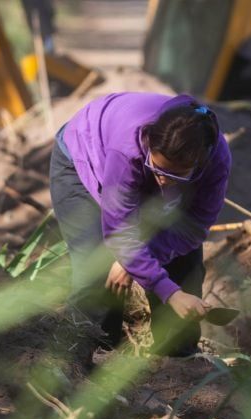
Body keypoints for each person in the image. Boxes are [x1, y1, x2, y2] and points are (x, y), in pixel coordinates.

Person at [49, 92, 231, 358]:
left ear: (199, 163)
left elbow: (194, 226)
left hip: (150, 168)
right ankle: (90, 355)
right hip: (85, 158)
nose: (163, 181)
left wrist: (140, 265)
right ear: (148, 142)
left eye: (175, 174)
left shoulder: (216, 162)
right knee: (98, 270)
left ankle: (178, 362)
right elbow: (120, 232)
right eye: (158, 170)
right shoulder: (127, 147)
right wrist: (166, 290)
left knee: (185, 265)